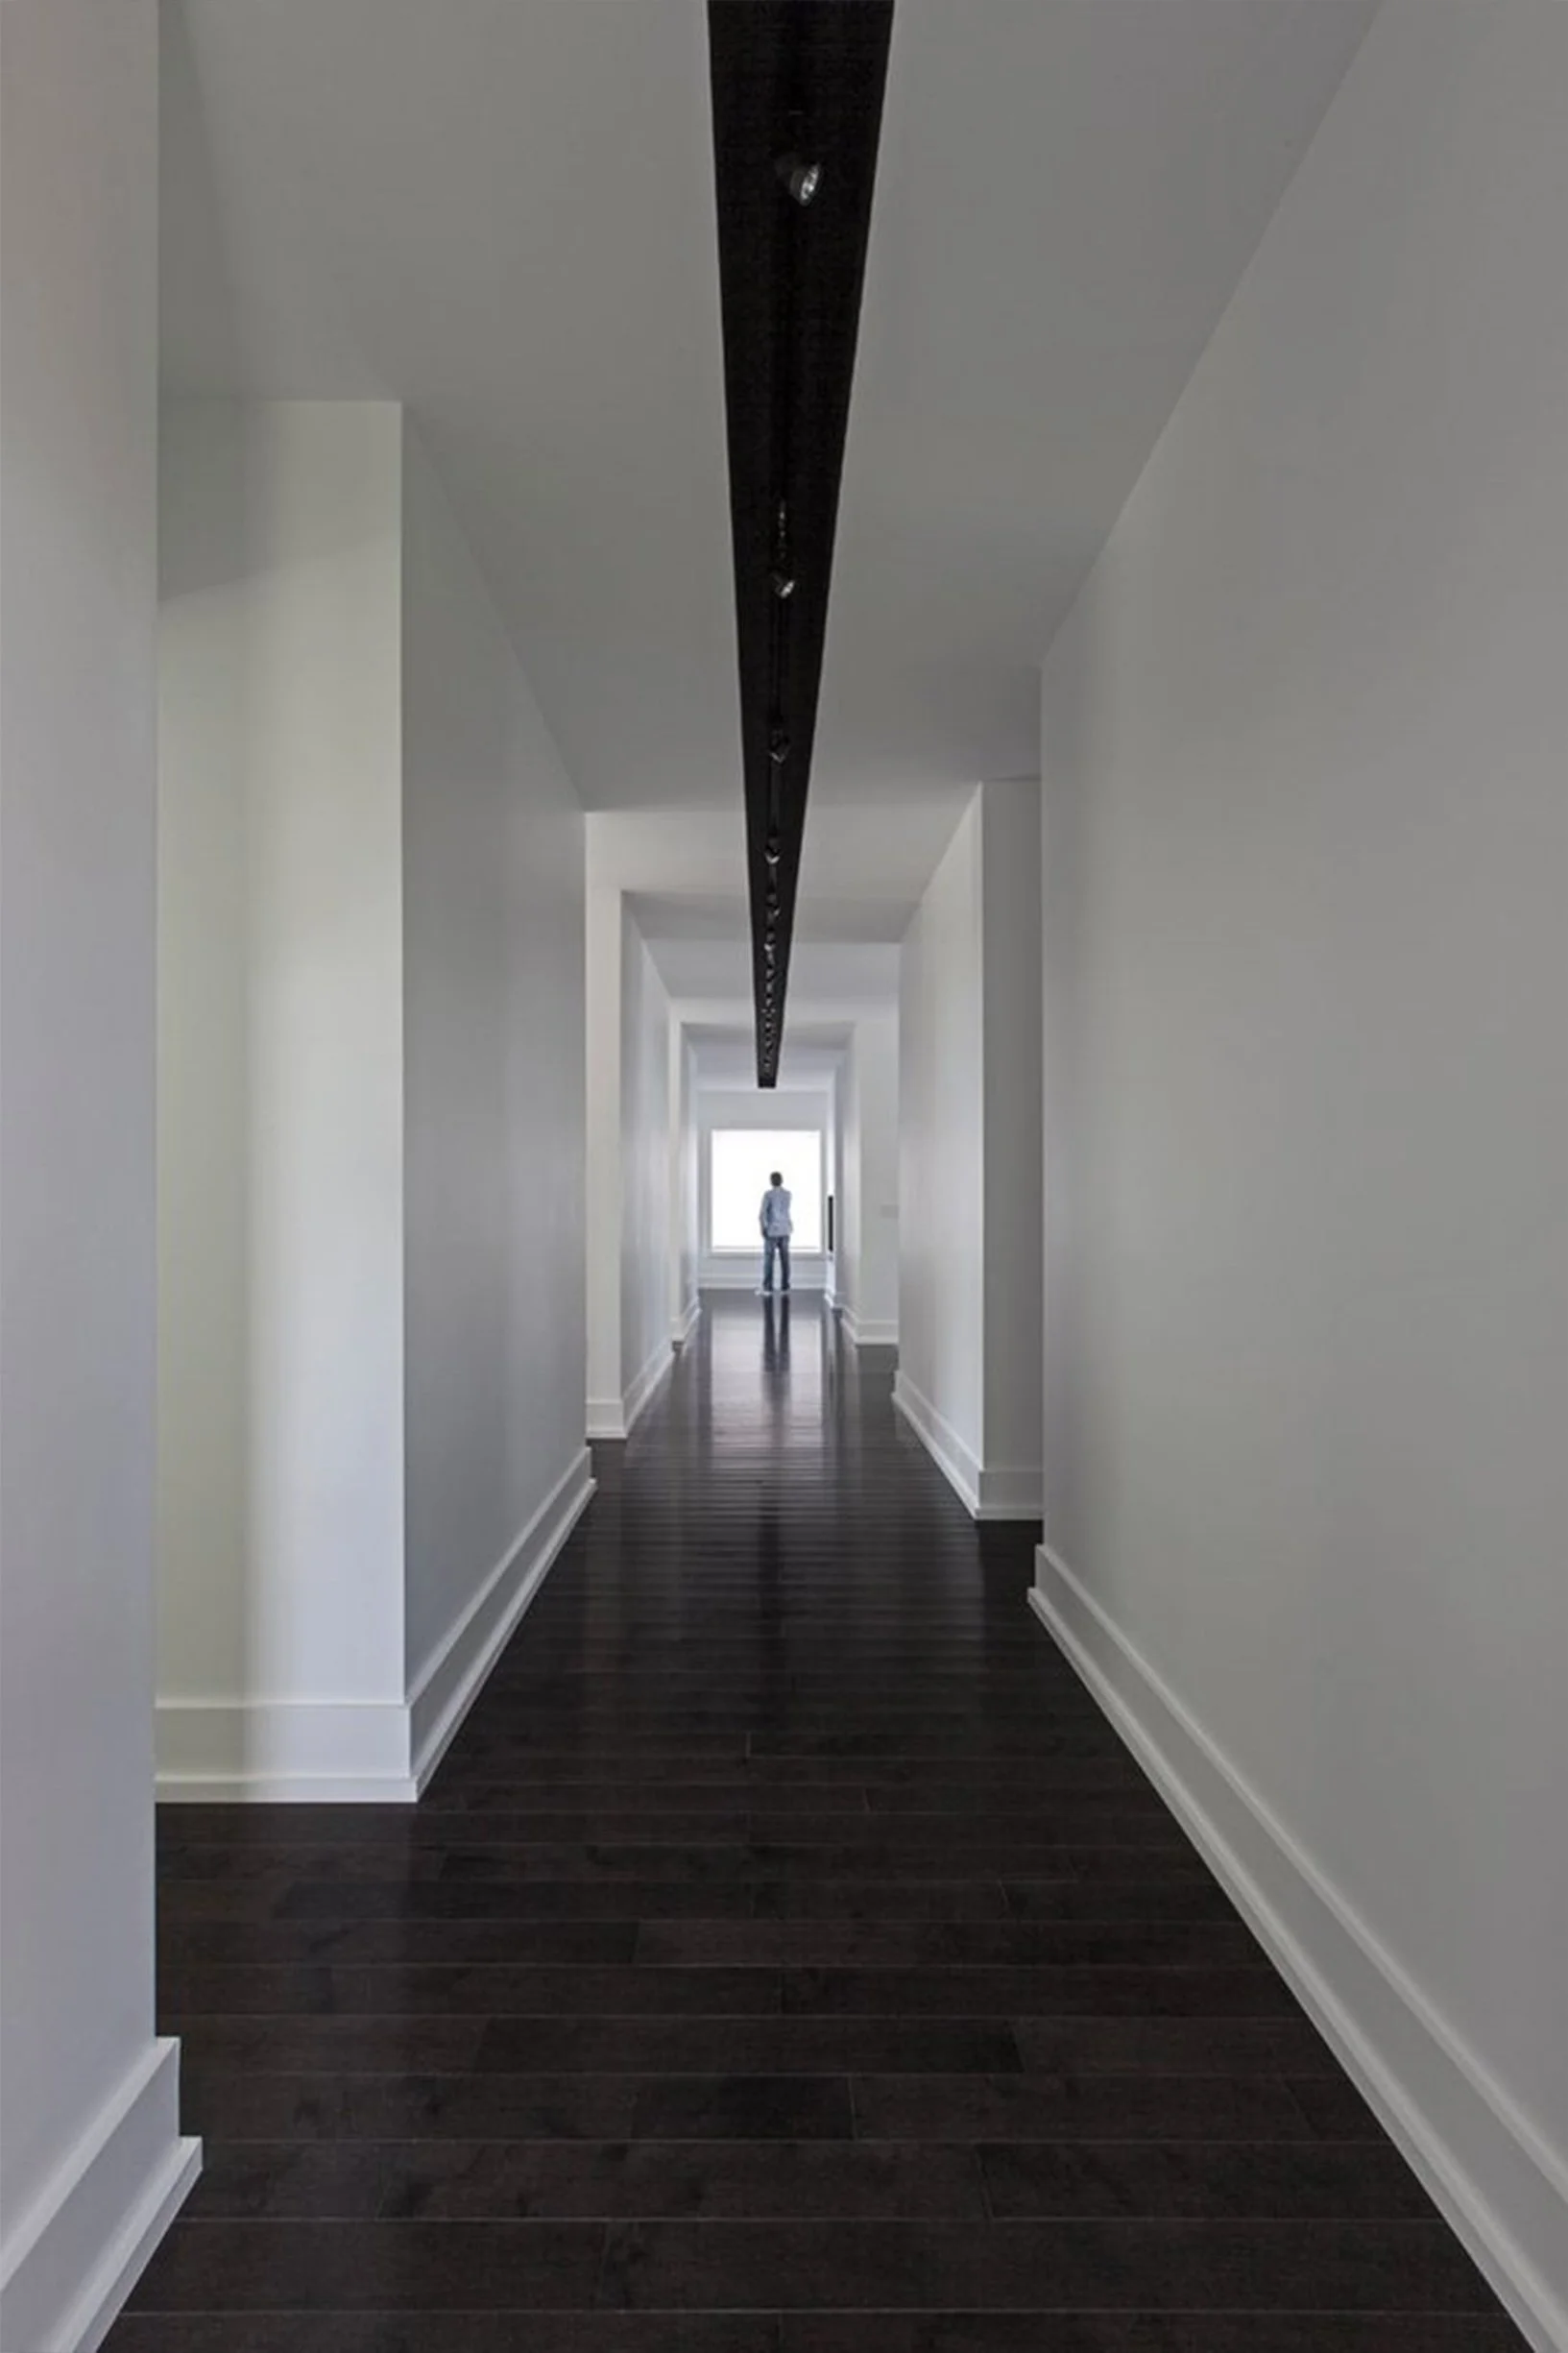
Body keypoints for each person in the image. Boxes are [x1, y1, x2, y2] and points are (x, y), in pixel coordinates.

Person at [759, 1170, 792, 1296]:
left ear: (771, 1181)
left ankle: (768, 1288)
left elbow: (763, 1213)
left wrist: (763, 1228)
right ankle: (785, 1286)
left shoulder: (768, 1195)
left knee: (769, 1259)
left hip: (772, 1230)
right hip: (785, 1229)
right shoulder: (788, 1194)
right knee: (785, 1259)